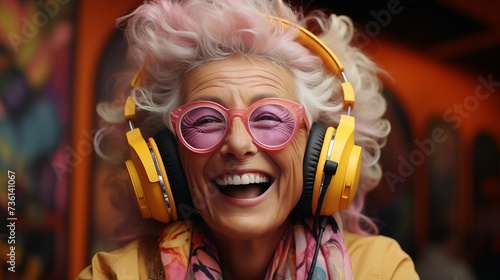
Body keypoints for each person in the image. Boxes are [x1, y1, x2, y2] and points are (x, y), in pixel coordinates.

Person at [78, 0, 419, 279]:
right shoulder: (115, 274)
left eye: (270, 117)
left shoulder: (380, 269)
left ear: (323, 147)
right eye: (206, 120)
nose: (239, 144)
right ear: (167, 159)